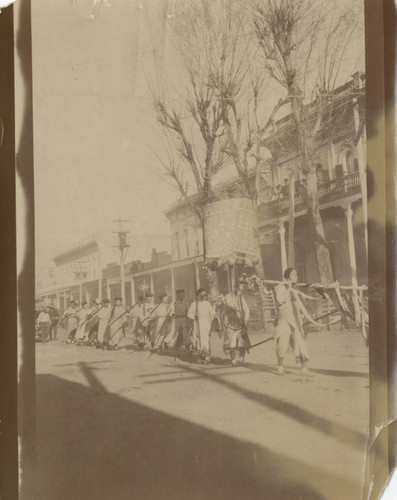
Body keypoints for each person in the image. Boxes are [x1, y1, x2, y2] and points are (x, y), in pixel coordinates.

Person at [274, 268, 314, 376]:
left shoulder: (296, 289)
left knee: (301, 343)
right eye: (294, 275)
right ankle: (280, 367)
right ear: (288, 277)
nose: (296, 276)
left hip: (296, 319)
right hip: (284, 319)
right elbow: (279, 301)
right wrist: (289, 288)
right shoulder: (280, 287)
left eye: (296, 274)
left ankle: (304, 368)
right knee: (283, 343)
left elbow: (300, 304)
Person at [221, 280, 250, 366]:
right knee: (232, 341)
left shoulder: (241, 298)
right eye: (239, 288)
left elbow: (246, 309)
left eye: (241, 289)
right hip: (230, 321)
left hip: (240, 322)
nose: (240, 290)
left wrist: (246, 320)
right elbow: (231, 305)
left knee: (243, 340)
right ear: (234, 288)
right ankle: (233, 359)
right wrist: (237, 301)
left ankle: (242, 358)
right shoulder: (228, 296)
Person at [187, 288, 216, 364]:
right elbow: (189, 314)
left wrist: (212, 318)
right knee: (198, 339)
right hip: (197, 323)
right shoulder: (194, 304)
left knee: (205, 339)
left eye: (205, 295)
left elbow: (212, 312)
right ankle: (200, 357)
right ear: (198, 295)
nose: (204, 297)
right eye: (202, 295)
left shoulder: (207, 303)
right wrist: (194, 316)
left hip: (206, 323)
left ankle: (206, 356)